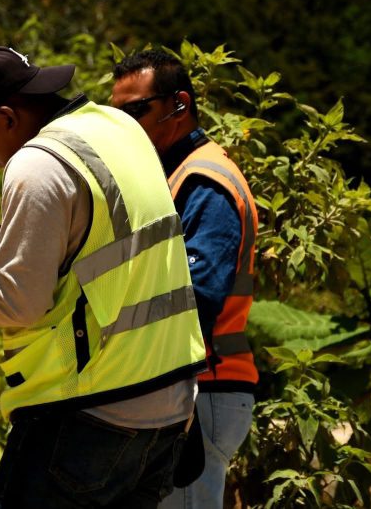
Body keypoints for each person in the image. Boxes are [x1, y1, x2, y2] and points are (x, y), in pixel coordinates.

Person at [0, 46, 208, 508]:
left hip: (88, 416)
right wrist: (19, 249)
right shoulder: (118, 126)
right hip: (169, 409)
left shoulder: (37, 164)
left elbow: (16, 303)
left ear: (7, 117)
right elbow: (112, 245)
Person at [111, 50, 259, 509]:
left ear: (179, 104)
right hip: (190, 388)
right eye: (117, 116)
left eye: (136, 111)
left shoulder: (205, 180)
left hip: (204, 388)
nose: (125, 126)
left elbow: (196, 299)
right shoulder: (174, 175)